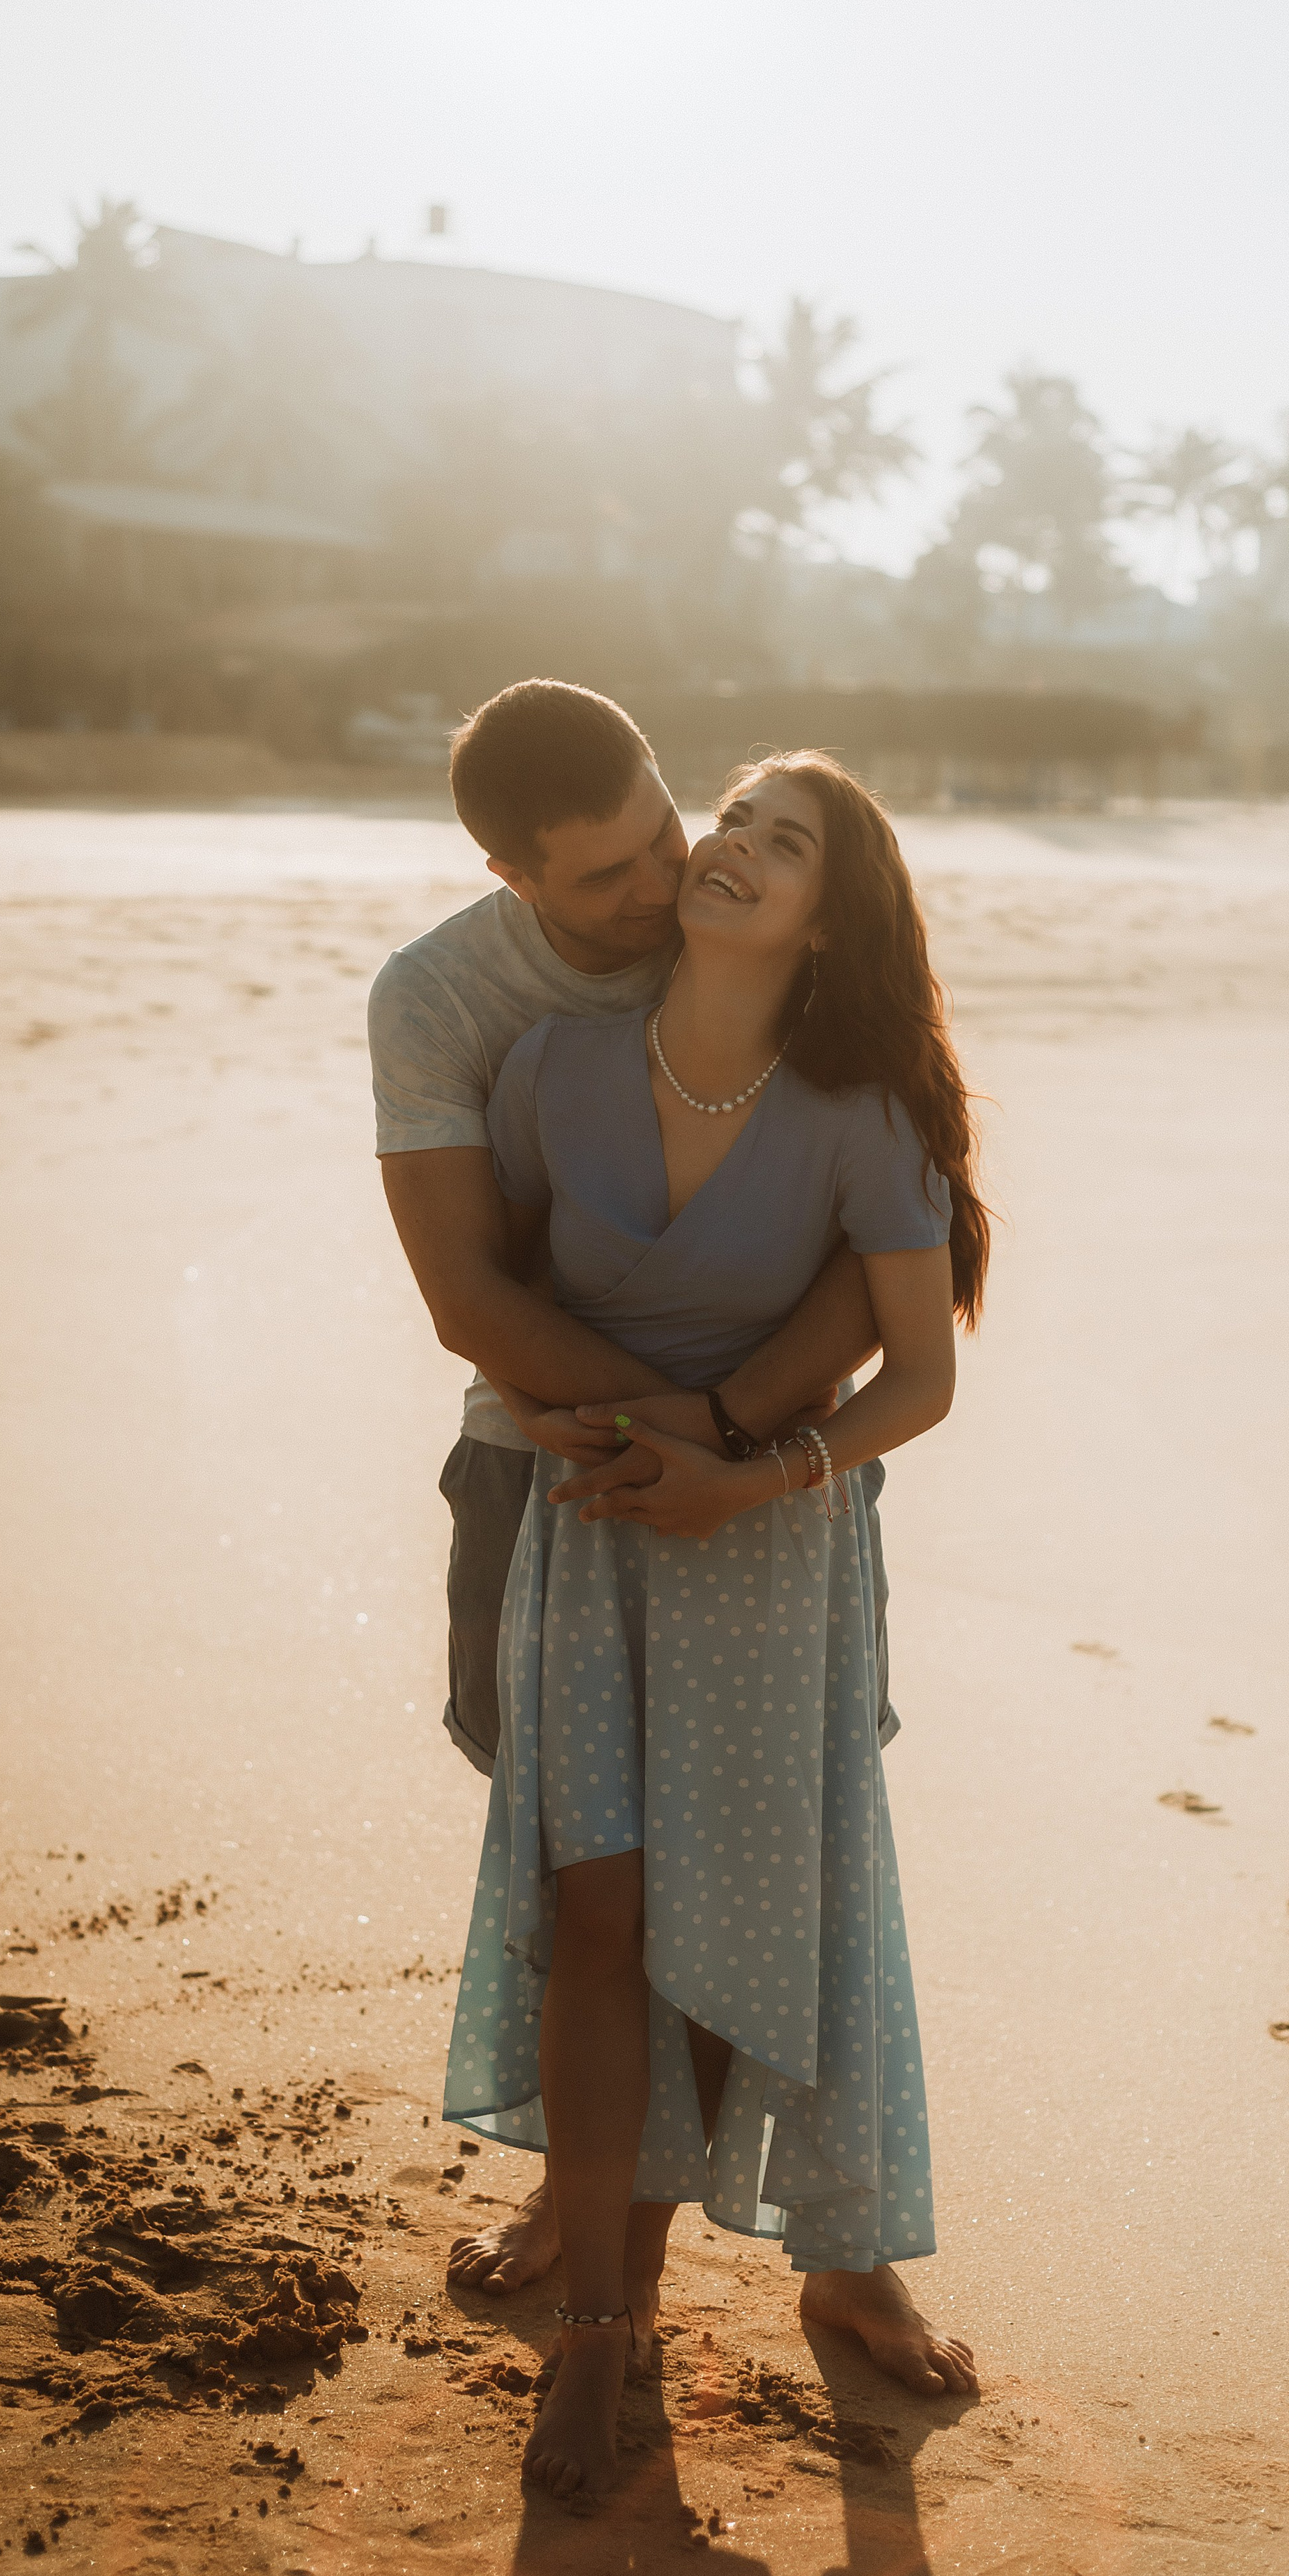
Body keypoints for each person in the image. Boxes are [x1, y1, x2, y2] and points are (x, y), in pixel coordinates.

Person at [441, 751, 991, 2504]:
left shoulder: (861, 1117)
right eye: (733, 821)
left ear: (835, 913)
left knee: (702, 1944)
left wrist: (747, 1471)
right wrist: (622, 1445)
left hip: (765, 1559)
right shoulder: (546, 1069)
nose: (738, 849)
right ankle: (601, 2334)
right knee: (591, 1913)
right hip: (591, 1541)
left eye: (786, 841)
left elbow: (922, 1375)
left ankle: (671, 2287)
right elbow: (506, 1312)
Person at [369, 683, 903, 2294]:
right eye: (603, 880)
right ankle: (581, 2207)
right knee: (574, 1860)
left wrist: (732, 1435)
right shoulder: (446, 999)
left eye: (661, 836)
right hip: (540, 1468)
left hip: (760, 1473)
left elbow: (882, 1237)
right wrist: (656, 1438)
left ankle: (841, 2240)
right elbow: (472, 1296)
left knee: (770, 1846)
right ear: (512, 875)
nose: (657, 888)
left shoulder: (731, 912)